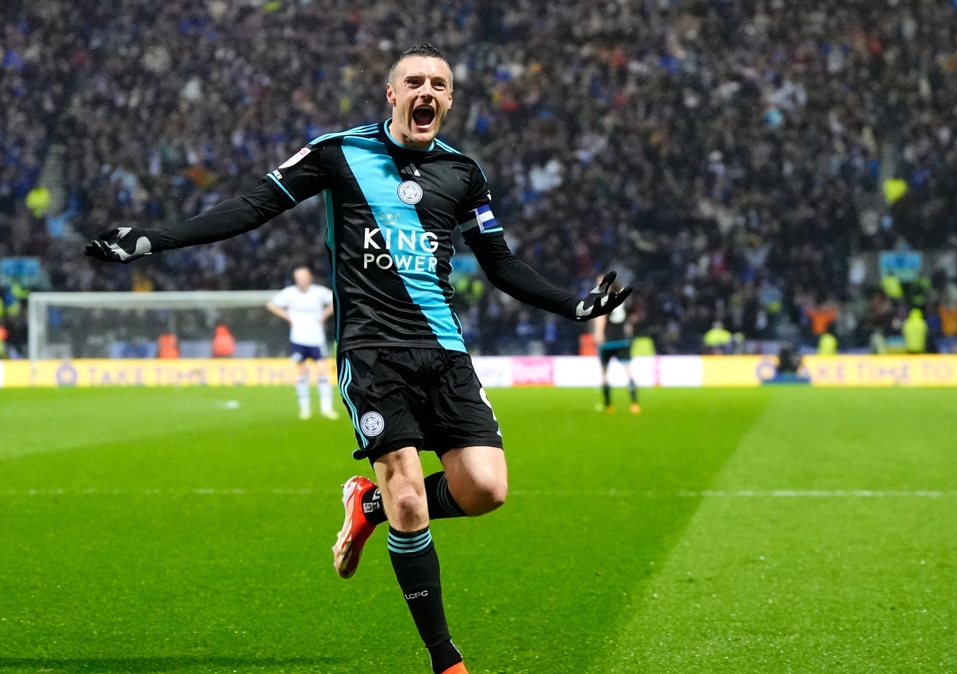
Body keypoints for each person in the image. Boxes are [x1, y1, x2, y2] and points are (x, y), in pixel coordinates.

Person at [84, 44, 630, 674]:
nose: (427, 92)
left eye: (439, 84)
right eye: (414, 82)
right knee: (410, 501)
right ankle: (445, 659)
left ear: (450, 100)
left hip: (444, 351)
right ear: (391, 94)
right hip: (372, 353)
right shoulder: (338, 151)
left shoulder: (463, 173)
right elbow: (252, 207)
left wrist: (574, 304)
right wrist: (152, 240)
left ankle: (366, 505)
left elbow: (500, 262)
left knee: (486, 489)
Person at [267, 266, 339, 420]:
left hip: (316, 338)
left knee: (323, 370)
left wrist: (324, 315)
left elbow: (336, 299)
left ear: (310, 277)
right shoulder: (289, 293)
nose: (302, 280)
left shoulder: (319, 292)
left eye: (304, 277)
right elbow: (271, 304)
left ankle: (326, 408)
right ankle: (304, 409)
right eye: (298, 278)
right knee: (301, 371)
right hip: (298, 338)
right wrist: (287, 316)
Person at [592, 276, 639, 414]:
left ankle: (608, 405)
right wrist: (627, 329)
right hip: (622, 340)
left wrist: (598, 335)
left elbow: (601, 319)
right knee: (628, 371)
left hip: (608, 340)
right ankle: (634, 403)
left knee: (605, 373)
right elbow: (630, 318)